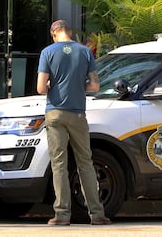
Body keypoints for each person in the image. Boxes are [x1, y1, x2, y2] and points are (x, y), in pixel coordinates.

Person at [36, 19, 111, 226]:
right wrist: (78, 84)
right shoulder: (85, 52)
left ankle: (61, 214)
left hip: (55, 114)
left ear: (54, 34)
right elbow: (95, 86)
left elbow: (41, 88)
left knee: (59, 163)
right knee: (85, 163)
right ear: (70, 33)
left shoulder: (48, 52)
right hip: (78, 114)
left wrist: (53, 84)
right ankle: (97, 214)